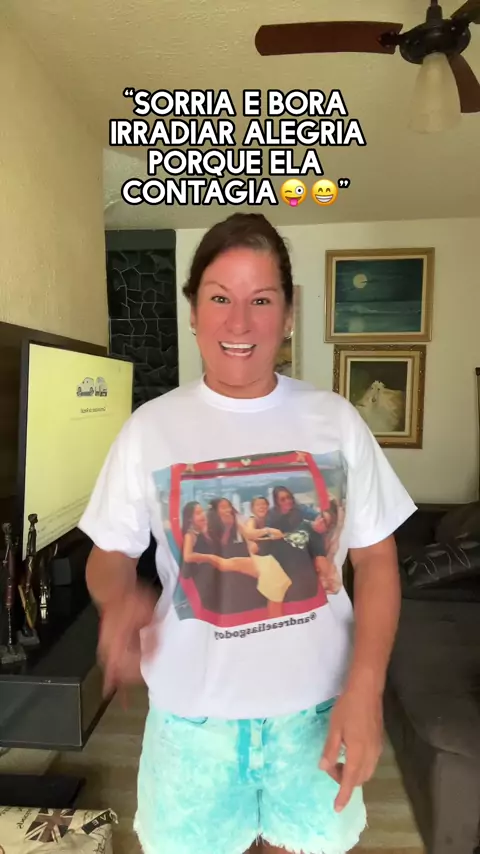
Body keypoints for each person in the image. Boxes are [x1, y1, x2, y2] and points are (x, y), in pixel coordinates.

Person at [80, 212, 417, 854]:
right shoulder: (150, 428)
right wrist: (118, 598)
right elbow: (109, 553)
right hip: (192, 726)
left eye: (260, 300)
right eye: (219, 298)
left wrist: (368, 688)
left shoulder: (335, 421)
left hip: (318, 714)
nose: (239, 323)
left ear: (288, 314)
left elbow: (376, 558)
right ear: (193, 311)